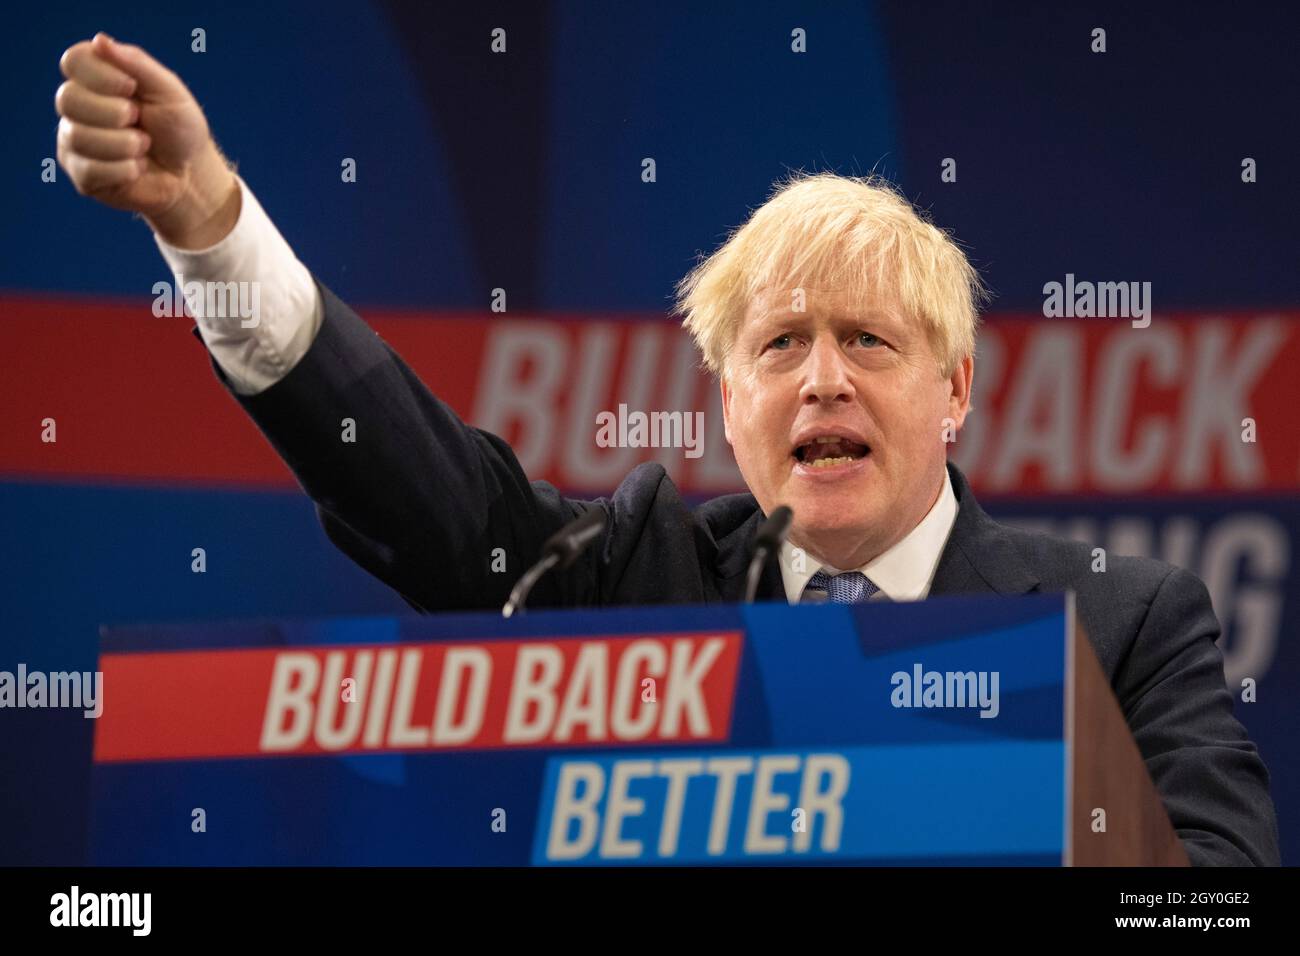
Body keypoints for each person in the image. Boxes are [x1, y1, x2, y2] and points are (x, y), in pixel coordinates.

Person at [54, 33, 1280, 866]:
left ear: (955, 390)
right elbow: (427, 498)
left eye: (867, 339)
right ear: (727, 402)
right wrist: (210, 226)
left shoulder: (1119, 623)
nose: (823, 378)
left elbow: (1215, 888)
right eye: (781, 344)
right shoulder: (638, 572)